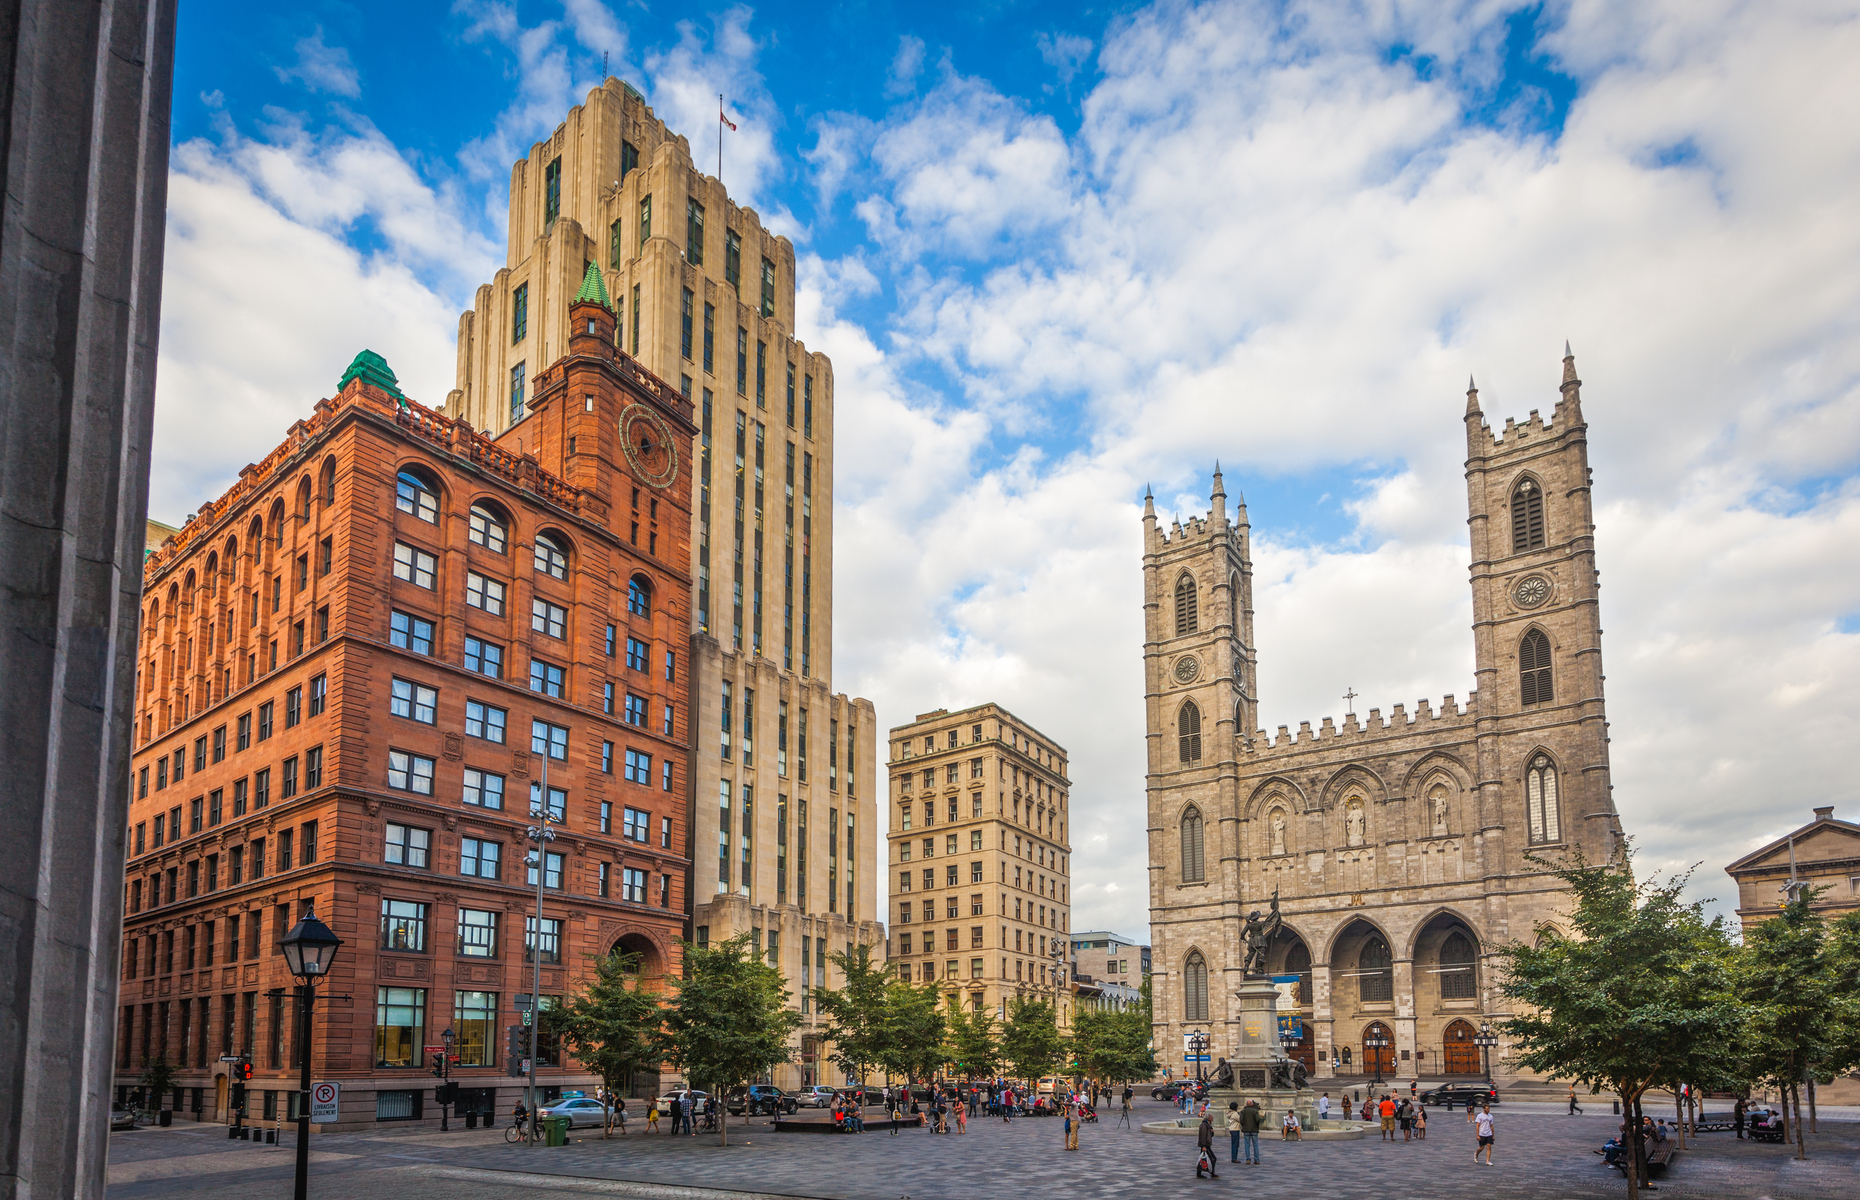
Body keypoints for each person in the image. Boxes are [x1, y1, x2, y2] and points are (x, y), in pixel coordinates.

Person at [1196, 1111, 1220, 1179]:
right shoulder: (1204, 1125)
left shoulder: (1208, 1125)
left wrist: (1212, 1131)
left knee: (1202, 1159)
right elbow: (1203, 1136)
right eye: (1211, 1117)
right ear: (1208, 1118)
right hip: (1205, 1145)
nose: (1212, 1118)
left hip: (1206, 1144)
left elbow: (1210, 1135)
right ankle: (1212, 1173)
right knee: (1213, 1158)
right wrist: (1203, 1146)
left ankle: (1199, 1173)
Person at [1238, 1098, 1262, 1164]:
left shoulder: (1243, 1111)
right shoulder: (1255, 1111)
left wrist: (1244, 1125)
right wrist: (1256, 1125)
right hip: (1254, 1129)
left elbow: (1241, 1120)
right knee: (1255, 1145)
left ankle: (1248, 1159)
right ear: (1252, 1104)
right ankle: (1257, 1160)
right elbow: (1257, 1120)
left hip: (1246, 1129)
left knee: (1247, 1145)